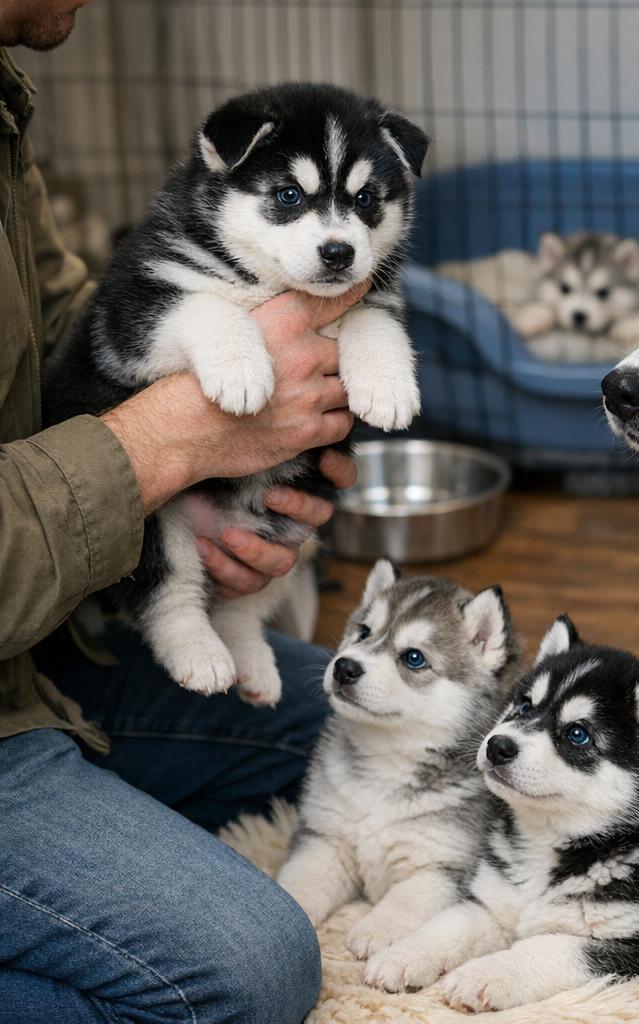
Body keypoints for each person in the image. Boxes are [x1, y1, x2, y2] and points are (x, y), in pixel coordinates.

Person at [0, 3, 361, 1020]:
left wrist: (212, 485)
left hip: (32, 640)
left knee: (381, 730)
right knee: (248, 970)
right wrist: (169, 444)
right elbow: (145, 430)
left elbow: (76, 338)